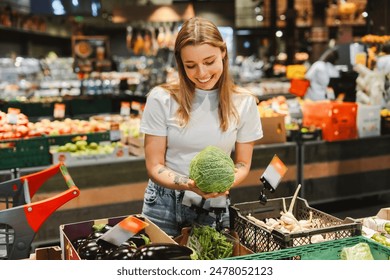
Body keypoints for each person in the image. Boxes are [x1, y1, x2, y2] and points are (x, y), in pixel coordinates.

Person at [139, 17, 263, 237]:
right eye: (191, 66)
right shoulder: (162, 99)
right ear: (180, 63)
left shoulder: (244, 102)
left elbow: (243, 163)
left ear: (223, 52)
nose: (202, 73)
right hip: (163, 205)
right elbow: (154, 165)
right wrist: (189, 184)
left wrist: (221, 183)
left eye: (209, 61)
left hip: (213, 203)